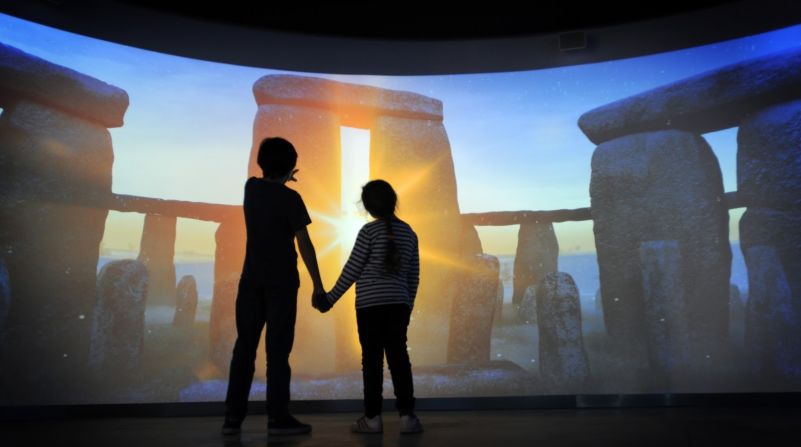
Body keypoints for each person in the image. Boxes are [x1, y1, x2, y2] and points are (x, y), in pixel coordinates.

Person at [222, 137, 324, 436]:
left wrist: (282, 175)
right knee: (278, 353)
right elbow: (304, 242)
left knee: (244, 349)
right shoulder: (291, 199)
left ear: (262, 163)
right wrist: (318, 285)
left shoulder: (250, 189)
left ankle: (232, 419)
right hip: (282, 284)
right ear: (292, 167)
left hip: (251, 282)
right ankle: (278, 418)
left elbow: (267, 182)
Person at [314, 179, 423, 434]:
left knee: (371, 361)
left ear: (367, 207)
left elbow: (352, 270)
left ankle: (373, 419)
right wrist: (407, 306)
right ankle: (407, 418)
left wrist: (329, 299)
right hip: (398, 305)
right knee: (399, 360)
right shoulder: (409, 233)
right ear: (394, 202)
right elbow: (413, 276)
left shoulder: (367, 233)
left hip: (369, 307)